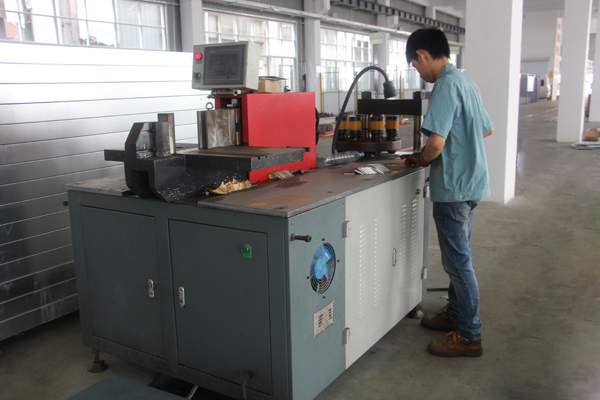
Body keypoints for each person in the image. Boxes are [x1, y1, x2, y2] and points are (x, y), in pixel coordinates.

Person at [401, 27, 493, 357]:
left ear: (422, 55)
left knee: (458, 265)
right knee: (459, 259)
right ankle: (455, 314)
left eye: (415, 65)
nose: (419, 72)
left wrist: (420, 160)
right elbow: (486, 129)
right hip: (471, 184)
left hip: (453, 189)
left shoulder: (445, 86)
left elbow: (436, 144)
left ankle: (469, 336)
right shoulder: (467, 83)